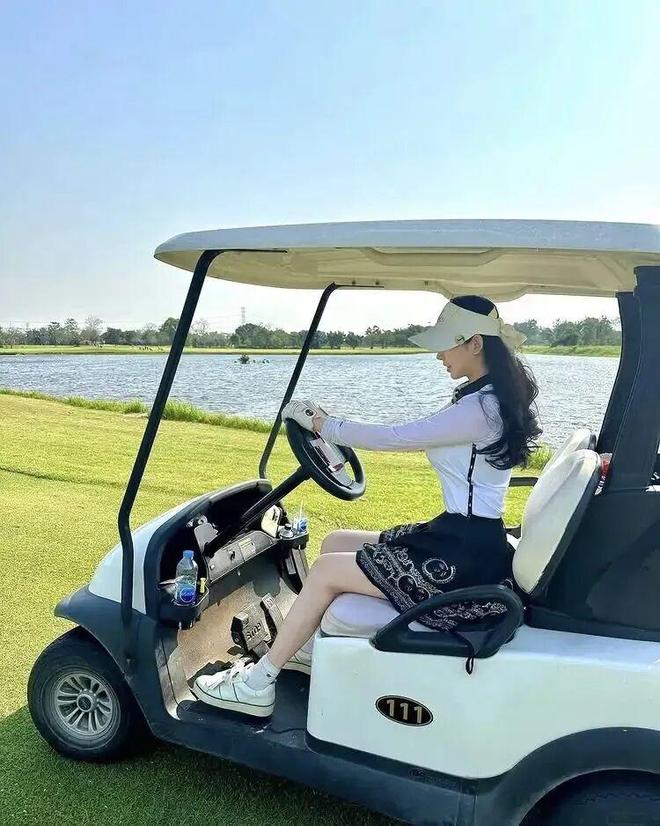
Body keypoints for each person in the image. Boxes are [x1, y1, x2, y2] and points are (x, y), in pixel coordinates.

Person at [192, 295, 541, 717]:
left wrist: (323, 425)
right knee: (335, 541)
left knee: (326, 570)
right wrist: (328, 425)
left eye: (447, 344)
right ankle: (303, 648)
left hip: (463, 557)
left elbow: (397, 437)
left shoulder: (481, 408)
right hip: (459, 536)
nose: (439, 355)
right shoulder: (486, 398)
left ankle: (257, 684)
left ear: (475, 343)